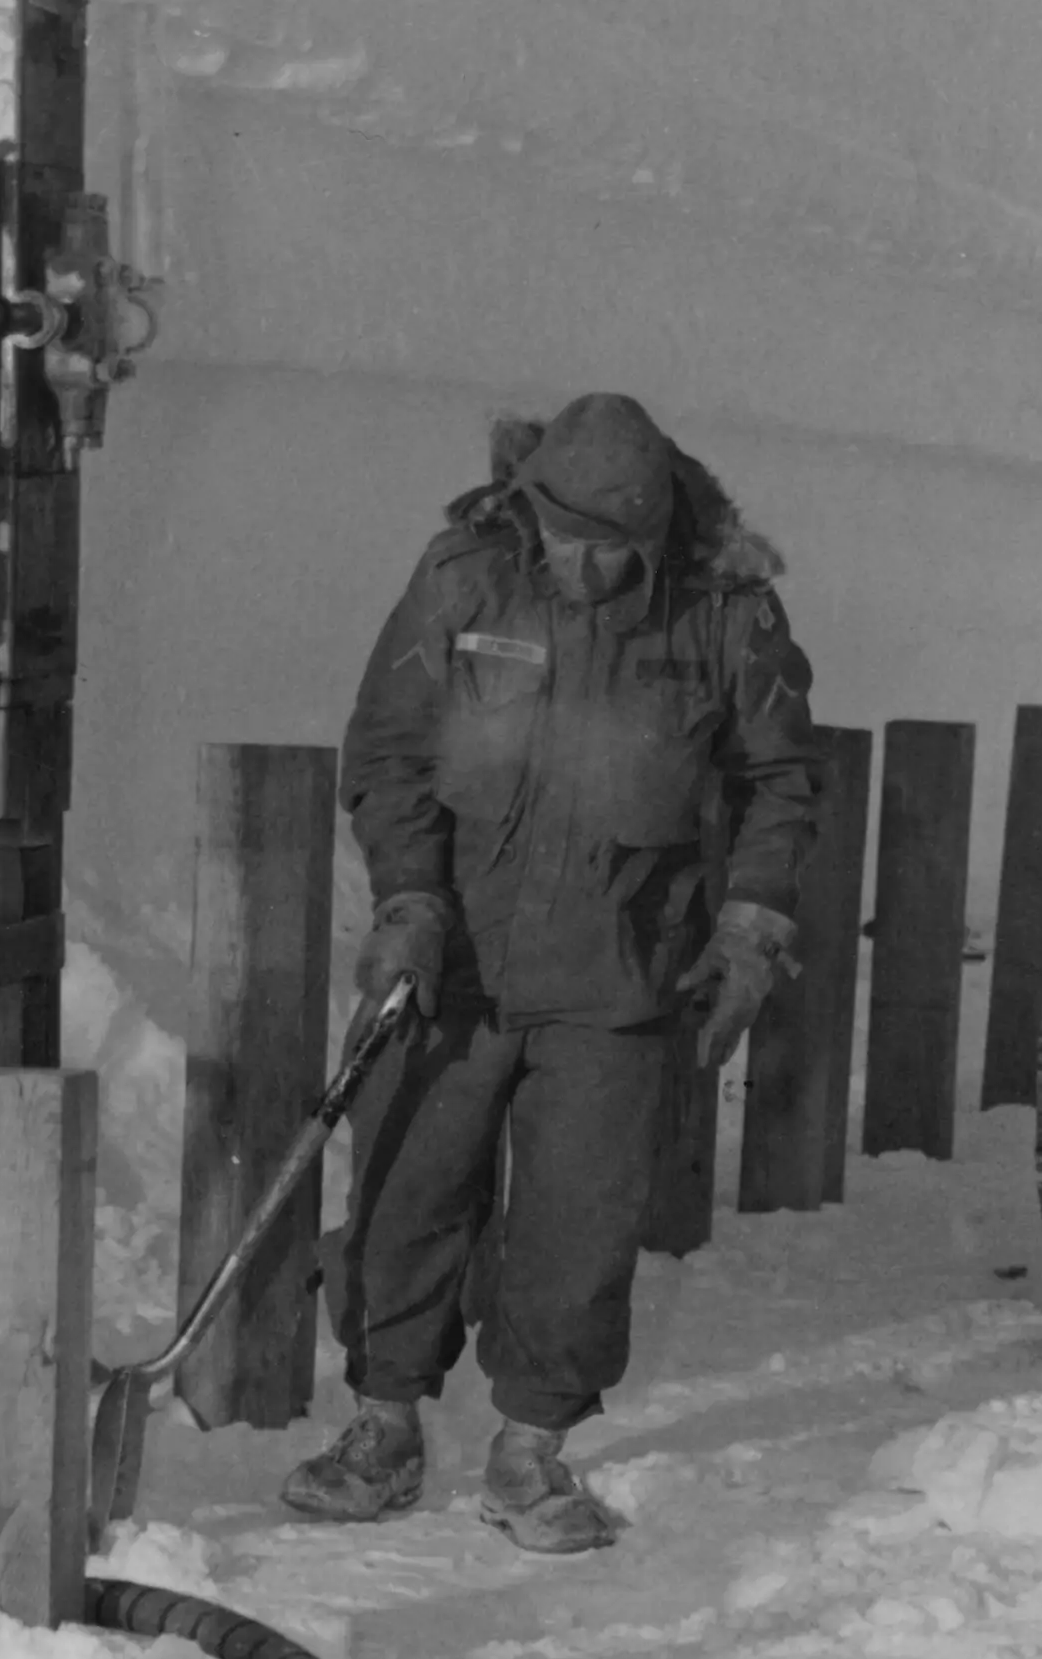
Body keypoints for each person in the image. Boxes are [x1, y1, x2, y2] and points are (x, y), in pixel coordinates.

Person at [287, 391, 821, 1554]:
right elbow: (386, 750)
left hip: (620, 976)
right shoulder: (466, 575)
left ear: (660, 533)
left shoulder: (727, 610)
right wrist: (409, 898)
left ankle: (529, 1455)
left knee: (577, 1226)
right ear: (534, 509)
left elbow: (783, 780)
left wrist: (750, 929)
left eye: (615, 549)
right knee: (401, 1193)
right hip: (453, 962)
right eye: (569, 538)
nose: (586, 566)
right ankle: (381, 1430)